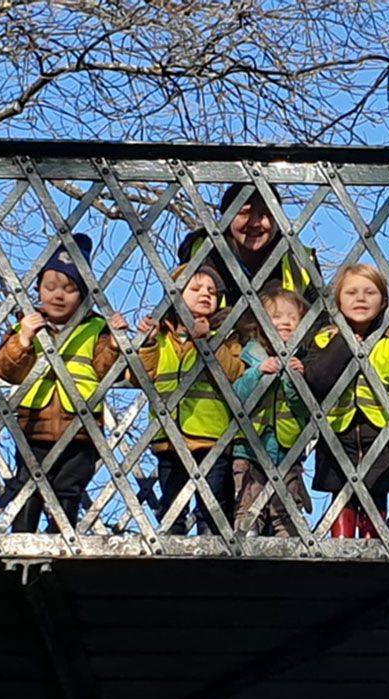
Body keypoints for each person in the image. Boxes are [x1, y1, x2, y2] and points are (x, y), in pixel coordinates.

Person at [0, 233, 128, 532]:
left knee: (70, 485)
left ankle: (62, 534)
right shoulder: (26, 325)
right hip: (34, 423)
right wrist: (24, 339)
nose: (58, 295)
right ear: (38, 289)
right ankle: (23, 535)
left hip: (81, 426)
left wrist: (117, 344)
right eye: (50, 287)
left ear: (82, 295)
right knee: (28, 483)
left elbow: (105, 368)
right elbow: (6, 368)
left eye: (69, 288)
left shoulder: (95, 328)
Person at [303, 264, 389, 539]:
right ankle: (340, 541)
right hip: (336, 432)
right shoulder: (324, 340)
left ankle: (374, 540)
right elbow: (317, 379)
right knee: (340, 493)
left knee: (376, 492)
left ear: (383, 302)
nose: (360, 298)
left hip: (382, 435)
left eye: (370, 292)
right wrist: (346, 344)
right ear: (337, 301)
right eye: (352, 292)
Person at [134, 263, 243, 535]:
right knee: (172, 496)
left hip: (211, 435)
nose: (205, 294)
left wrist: (207, 345)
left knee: (214, 499)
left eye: (212, 291)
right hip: (168, 437)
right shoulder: (161, 338)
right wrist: (147, 345)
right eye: (194, 289)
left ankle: (213, 537)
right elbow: (142, 377)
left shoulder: (226, 337)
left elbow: (233, 373)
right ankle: (173, 531)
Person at [231, 281, 313, 536]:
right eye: (276, 317)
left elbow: (306, 409)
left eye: (293, 317)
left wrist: (294, 380)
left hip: (288, 447)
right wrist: (258, 372)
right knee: (248, 498)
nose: (285, 322)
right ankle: (246, 534)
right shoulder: (249, 355)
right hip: (250, 446)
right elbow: (237, 397)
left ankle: (288, 537)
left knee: (287, 502)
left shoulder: (305, 359)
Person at [177, 183, 320, 312]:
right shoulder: (202, 250)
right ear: (226, 218)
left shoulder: (299, 259)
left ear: (278, 221)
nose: (254, 223)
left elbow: (320, 320)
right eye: (244, 213)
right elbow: (177, 309)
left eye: (265, 214)